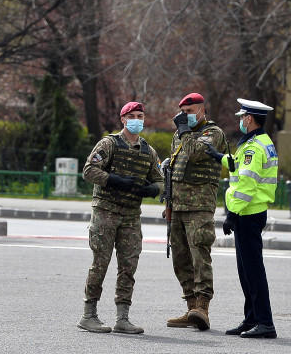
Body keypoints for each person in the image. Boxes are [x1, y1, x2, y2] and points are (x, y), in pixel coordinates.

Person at [78, 101, 162, 334]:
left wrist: (152, 190)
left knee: (128, 266)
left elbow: (160, 180)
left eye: (141, 116)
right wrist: (115, 180)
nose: (137, 120)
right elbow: (88, 170)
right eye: (132, 116)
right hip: (106, 211)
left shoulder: (148, 151)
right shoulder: (109, 143)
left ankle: (122, 318)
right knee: (100, 263)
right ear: (123, 119)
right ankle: (89, 315)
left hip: (131, 215)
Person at [203, 98, 277, 338]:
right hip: (249, 212)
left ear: (249, 118)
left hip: (248, 213)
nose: (240, 121)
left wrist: (232, 215)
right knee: (246, 271)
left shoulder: (254, 147)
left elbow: (247, 183)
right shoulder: (258, 142)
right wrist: (219, 157)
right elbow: (238, 166)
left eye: (242, 117)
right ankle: (252, 319)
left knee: (253, 271)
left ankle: (265, 323)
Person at [165, 93, 226, 331]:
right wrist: (168, 204)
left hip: (199, 207)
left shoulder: (213, 133)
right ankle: (191, 308)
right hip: (178, 207)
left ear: (201, 111)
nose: (185, 117)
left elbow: (196, 153)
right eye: (182, 113)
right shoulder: (179, 136)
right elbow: (173, 170)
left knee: (200, 257)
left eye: (189, 112)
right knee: (181, 260)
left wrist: (184, 130)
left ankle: (202, 308)